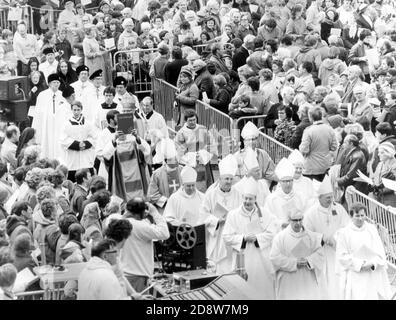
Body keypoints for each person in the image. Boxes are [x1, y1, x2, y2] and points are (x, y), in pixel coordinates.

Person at [223, 177, 279, 299]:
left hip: (261, 260)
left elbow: (272, 232)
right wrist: (243, 238)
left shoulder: (264, 213)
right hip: (242, 258)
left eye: (250, 199)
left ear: (255, 199)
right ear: (242, 198)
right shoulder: (233, 215)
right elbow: (226, 237)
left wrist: (257, 237)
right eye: (245, 198)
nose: (247, 201)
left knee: (262, 289)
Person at [304, 175, 350, 299]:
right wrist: (321, 238)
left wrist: (336, 238)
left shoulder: (339, 209)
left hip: (336, 251)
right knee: (322, 284)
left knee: (337, 284)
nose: (330, 200)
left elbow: (347, 227)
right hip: (320, 253)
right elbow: (306, 234)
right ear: (319, 198)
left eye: (331, 197)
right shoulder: (311, 213)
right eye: (327, 197)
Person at [336, 203, 392, 300]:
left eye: (362, 215)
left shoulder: (371, 229)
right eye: (357, 216)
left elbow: (380, 251)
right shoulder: (344, 233)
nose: (360, 218)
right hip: (356, 274)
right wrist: (360, 264)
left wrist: (373, 263)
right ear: (351, 216)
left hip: (372, 272)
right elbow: (342, 256)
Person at [270, 209, 325, 300]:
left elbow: (320, 253)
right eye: (295, 220)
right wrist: (294, 262)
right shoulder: (280, 237)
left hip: (307, 277)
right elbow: (274, 257)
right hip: (288, 279)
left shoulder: (311, 236)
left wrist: (308, 260)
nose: (298, 223)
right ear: (289, 220)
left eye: (300, 220)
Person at [200, 154, 242, 273]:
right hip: (216, 235)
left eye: (230, 179)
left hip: (232, 235)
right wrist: (217, 221)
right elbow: (203, 215)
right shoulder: (210, 194)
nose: (229, 182)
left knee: (230, 268)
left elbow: (241, 213)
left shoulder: (238, 194)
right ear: (220, 179)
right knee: (216, 268)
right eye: (226, 179)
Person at [121, 198, 169, 292]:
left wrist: (143, 216)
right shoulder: (141, 226)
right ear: (142, 212)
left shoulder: (122, 222)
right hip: (138, 276)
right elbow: (165, 233)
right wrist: (155, 213)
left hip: (125, 274)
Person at [32, 73, 71, 160]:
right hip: (46, 127)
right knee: (46, 147)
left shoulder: (63, 95)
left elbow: (67, 112)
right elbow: (38, 113)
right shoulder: (42, 95)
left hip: (59, 126)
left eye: (58, 82)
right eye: (54, 82)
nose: (56, 84)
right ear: (49, 84)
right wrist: (36, 132)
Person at [175, 110, 216, 192]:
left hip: (203, 161)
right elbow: (179, 149)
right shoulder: (181, 133)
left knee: (207, 184)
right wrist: (192, 156)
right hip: (190, 164)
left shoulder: (203, 129)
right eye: (190, 120)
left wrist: (202, 154)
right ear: (185, 121)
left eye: (194, 120)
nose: (193, 122)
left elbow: (211, 143)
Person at [264, 157, 307, 228]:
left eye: (290, 181)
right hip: (278, 232)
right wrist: (281, 223)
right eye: (285, 181)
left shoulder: (300, 196)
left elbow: (305, 212)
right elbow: (267, 217)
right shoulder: (271, 199)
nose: (288, 184)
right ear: (280, 182)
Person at [60, 101, 96, 182]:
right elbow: (63, 140)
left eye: (78, 110)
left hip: (86, 158)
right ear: (71, 110)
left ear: (81, 110)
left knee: (88, 181)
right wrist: (77, 145)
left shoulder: (88, 123)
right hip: (73, 159)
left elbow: (94, 137)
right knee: (73, 182)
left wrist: (86, 144)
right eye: (74, 110)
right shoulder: (66, 124)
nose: (76, 112)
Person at [299, 107, 338, 182]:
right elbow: (334, 147)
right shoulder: (330, 129)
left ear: (310, 117)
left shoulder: (308, 131)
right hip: (325, 166)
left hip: (311, 168)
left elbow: (304, 150)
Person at [147, 138, 182, 212]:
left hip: (182, 206)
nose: (176, 161)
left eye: (176, 159)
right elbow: (152, 195)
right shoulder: (157, 174)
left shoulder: (182, 170)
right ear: (166, 161)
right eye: (173, 159)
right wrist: (167, 201)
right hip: (166, 208)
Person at [371, 142, 396, 207]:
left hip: (391, 199)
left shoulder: (394, 165)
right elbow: (374, 177)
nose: (378, 154)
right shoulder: (380, 164)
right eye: (379, 152)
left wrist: (380, 189)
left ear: (389, 153)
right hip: (379, 198)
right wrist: (373, 183)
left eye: (382, 153)